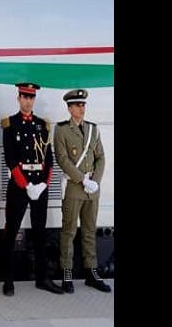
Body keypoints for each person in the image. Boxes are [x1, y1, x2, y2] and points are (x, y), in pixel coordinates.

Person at [0, 82, 64, 296]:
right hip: (20, 184)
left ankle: (42, 278)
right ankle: (8, 280)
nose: (28, 101)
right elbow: (10, 159)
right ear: (18, 98)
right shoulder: (10, 124)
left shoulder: (42, 125)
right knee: (11, 231)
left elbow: (49, 159)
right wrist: (26, 185)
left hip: (39, 184)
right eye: (24, 97)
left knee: (40, 233)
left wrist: (44, 184)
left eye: (31, 97)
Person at [53, 89, 111, 293]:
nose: (82, 108)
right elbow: (62, 158)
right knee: (68, 231)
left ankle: (91, 271)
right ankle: (67, 271)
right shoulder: (61, 130)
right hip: (74, 188)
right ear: (69, 108)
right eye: (78, 105)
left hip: (92, 189)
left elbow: (101, 157)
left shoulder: (93, 129)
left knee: (89, 231)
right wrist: (82, 180)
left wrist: (95, 181)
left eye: (83, 105)